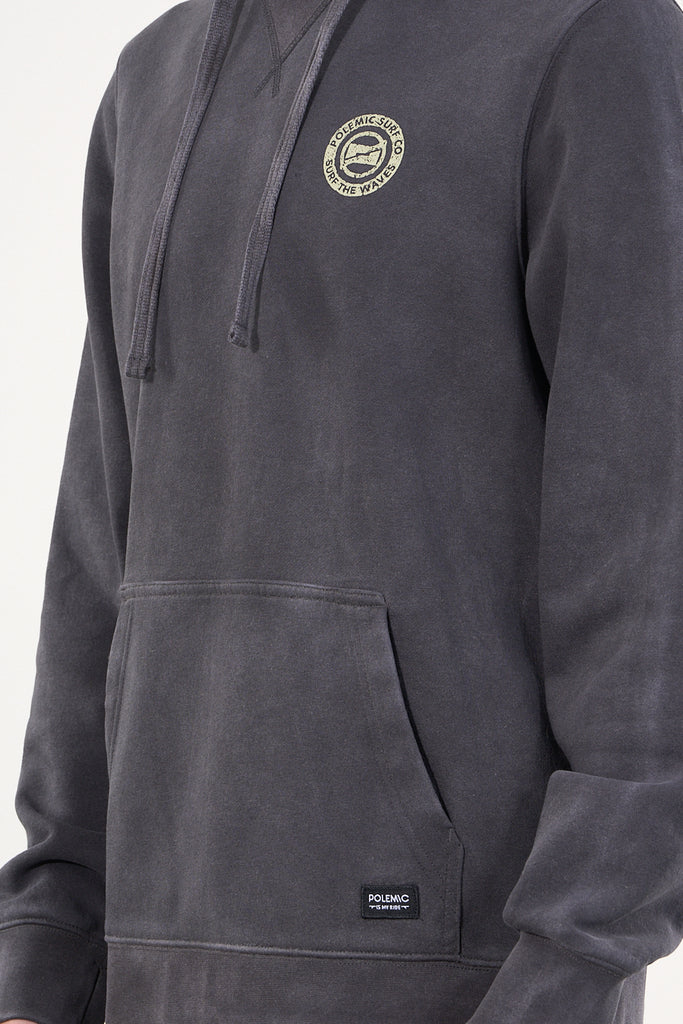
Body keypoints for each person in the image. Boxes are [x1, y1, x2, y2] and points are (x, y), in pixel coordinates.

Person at [1, 0, 682, 1022]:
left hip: (459, 972)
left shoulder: (586, 35)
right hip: (150, 963)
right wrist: (44, 943)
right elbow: (99, 548)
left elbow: (648, 556)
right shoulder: (152, 76)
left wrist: (574, 963)